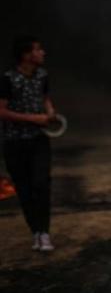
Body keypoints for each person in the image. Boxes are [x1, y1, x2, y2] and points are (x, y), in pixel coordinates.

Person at [0, 36, 58, 252]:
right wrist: (33, 119)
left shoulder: (42, 75)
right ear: (26, 55)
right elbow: (1, 111)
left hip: (39, 140)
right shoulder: (8, 79)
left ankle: (44, 232)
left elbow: (45, 97)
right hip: (14, 143)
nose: (42, 53)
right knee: (24, 189)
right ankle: (36, 232)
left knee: (41, 184)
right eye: (38, 49)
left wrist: (50, 112)